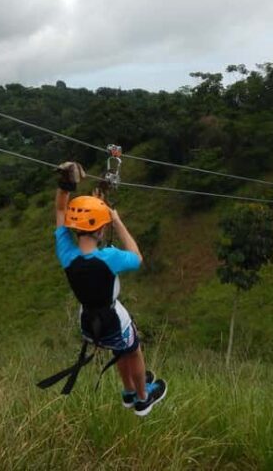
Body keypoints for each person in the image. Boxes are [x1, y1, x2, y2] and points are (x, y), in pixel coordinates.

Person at [53, 161, 167, 416]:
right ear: (102, 228)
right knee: (133, 351)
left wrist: (65, 185)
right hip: (112, 319)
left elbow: (61, 210)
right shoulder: (110, 258)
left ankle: (128, 390)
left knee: (119, 350)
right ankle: (142, 398)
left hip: (88, 323)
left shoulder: (66, 254)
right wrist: (117, 220)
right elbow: (137, 257)